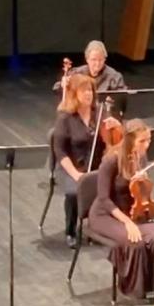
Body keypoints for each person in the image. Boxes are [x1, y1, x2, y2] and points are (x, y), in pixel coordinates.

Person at [87, 119, 154, 300]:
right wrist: (128, 222)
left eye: (149, 140)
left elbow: (138, 191)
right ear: (129, 141)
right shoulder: (111, 160)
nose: (147, 144)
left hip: (131, 210)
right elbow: (104, 199)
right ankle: (134, 289)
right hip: (106, 214)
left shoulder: (141, 157)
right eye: (142, 141)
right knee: (134, 240)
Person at [50, 72, 105, 248]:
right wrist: (75, 174)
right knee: (74, 192)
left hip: (96, 166)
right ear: (74, 94)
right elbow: (59, 150)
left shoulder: (100, 114)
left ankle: (98, 227)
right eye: (83, 91)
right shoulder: (65, 118)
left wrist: (115, 127)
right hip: (71, 167)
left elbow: (111, 142)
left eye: (90, 90)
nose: (88, 94)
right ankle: (71, 230)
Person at [52, 40, 124, 93]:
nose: (97, 63)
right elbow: (56, 88)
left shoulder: (114, 76)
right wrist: (63, 85)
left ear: (105, 59)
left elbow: (123, 95)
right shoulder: (77, 72)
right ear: (87, 59)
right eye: (93, 60)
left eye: (100, 60)